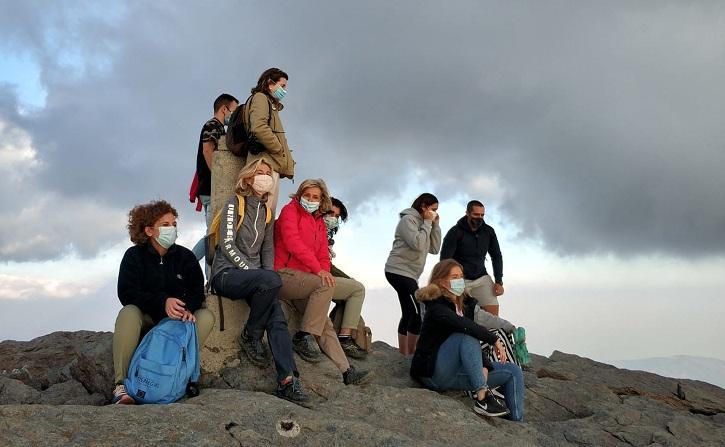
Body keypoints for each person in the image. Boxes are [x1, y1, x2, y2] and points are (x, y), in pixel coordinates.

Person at [209, 157, 309, 405]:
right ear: (248, 177)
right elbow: (227, 245)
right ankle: (250, 335)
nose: (265, 177)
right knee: (270, 279)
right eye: (260, 172)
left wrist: (265, 279)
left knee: (277, 317)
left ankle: (287, 379)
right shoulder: (235, 204)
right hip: (227, 274)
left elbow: (267, 252)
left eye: (268, 173)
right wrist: (258, 275)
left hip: (255, 279)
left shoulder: (266, 212)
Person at [112, 200, 215, 405]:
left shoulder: (185, 257)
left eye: (174, 224)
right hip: (147, 316)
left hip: (176, 321)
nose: (172, 229)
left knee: (206, 317)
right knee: (128, 313)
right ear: (149, 230)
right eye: (165, 225)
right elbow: (127, 293)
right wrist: (162, 302)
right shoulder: (134, 256)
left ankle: (179, 377)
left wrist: (187, 309)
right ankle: (121, 384)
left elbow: (197, 291)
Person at [275, 179, 371, 385]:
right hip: (284, 274)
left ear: (321, 200)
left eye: (315, 197)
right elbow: (293, 243)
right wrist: (320, 272)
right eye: (307, 195)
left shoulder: (317, 221)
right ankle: (303, 336)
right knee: (325, 284)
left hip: (305, 282)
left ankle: (346, 371)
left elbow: (322, 255)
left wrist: (323, 271)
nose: (310, 200)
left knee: (324, 323)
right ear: (300, 194)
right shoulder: (289, 211)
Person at [410, 259, 524, 421]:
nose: (460, 281)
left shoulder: (467, 306)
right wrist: (493, 339)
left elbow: (471, 335)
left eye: (461, 276)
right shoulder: (435, 305)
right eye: (454, 277)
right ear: (442, 282)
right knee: (464, 334)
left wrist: (484, 364)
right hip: (433, 372)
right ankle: (483, 399)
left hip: (458, 374)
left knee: (513, 372)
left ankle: (517, 423)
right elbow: (463, 326)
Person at [384, 193, 442, 355]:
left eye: (436, 211)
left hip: (410, 275)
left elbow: (434, 248)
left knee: (409, 312)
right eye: (433, 209)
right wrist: (428, 223)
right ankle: (411, 354)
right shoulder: (407, 221)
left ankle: (404, 354)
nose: (435, 213)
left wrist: (434, 225)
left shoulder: (426, 224)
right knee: (417, 311)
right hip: (397, 271)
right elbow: (418, 244)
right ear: (423, 206)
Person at [192, 93, 239, 264]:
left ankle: (208, 277)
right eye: (233, 111)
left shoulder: (220, 128)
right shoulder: (212, 125)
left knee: (214, 234)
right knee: (213, 235)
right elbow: (207, 150)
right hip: (210, 189)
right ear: (224, 109)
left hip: (211, 189)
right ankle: (187, 263)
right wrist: (218, 178)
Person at [243, 68, 295, 213]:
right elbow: (259, 127)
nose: (284, 91)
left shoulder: (268, 103)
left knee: (266, 214)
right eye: (282, 86)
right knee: (262, 214)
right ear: (270, 83)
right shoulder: (260, 98)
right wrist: (278, 148)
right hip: (264, 165)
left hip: (268, 163)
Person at [440, 200, 504, 316]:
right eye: (476, 214)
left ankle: (489, 334)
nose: (479, 218)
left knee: (493, 314)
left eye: (482, 215)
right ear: (467, 213)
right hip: (460, 279)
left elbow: (496, 255)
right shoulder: (455, 232)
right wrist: (446, 281)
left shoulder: (489, 231)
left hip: (481, 277)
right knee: (460, 315)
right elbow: (445, 260)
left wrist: (499, 281)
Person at [325, 197, 367, 359]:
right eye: (331, 213)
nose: (333, 218)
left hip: (324, 268)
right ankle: (344, 338)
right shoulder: (314, 227)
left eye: (337, 216)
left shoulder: (328, 232)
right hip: (312, 272)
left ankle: (341, 333)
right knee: (356, 289)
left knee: (354, 285)